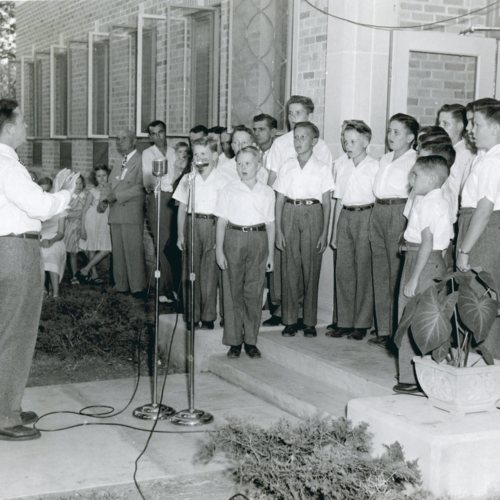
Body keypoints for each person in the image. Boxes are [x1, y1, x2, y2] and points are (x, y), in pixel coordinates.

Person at [0, 98, 78, 440]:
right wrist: (66, 193)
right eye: (23, 121)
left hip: (8, 246)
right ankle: (5, 416)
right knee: (16, 332)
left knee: (6, 328)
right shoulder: (7, 164)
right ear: (9, 126)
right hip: (15, 250)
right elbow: (39, 206)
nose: (27, 127)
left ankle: (8, 405)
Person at [394, 156, 453, 394]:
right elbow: (444, 243)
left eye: (415, 175)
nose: (411, 179)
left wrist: (415, 278)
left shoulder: (429, 203)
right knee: (418, 316)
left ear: (430, 179)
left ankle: (414, 379)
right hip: (427, 260)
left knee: (411, 317)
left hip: (422, 261)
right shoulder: (433, 200)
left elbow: (428, 242)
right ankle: (415, 376)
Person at [273, 121, 334, 338]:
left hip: (313, 214)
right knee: (290, 268)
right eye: (295, 137)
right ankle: (290, 319)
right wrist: (279, 230)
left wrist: (325, 232)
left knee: (311, 269)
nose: (298, 142)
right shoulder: (287, 166)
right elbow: (279, 199)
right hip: (290, 211)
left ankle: (309, 321)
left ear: (314, 141)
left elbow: (327, 203)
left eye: (303, 137)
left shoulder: (322, 168)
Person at [215, 146, 275, 358]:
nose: (243, 168)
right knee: (232, 292)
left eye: (248, 163)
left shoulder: (267, 192)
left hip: (258, 240)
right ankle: (234, 341)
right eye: (239, 164)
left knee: (254, 291)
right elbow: (221, 221)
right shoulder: (228, 189)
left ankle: (251, 340)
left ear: (258, 166)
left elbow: (270, 224)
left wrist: (271, 255)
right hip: (234, 238)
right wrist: (220, 251)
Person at [368, 113, 419, 348]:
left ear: (410, 137)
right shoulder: (385, 159)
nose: (390, 136)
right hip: (378, 210)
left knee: (396, 272)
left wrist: (406, 225)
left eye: (396, 132)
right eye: (389, 131)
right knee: (379, 270)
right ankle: (383, 328)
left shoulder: (414, 160)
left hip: (399, 212)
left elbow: (415, 196)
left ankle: (397, 331)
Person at [327, 121, 378, 341]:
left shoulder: (375, 166)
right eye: (345, 141)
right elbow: (338, 201)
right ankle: (344, 321)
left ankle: (361, 323)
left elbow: (378, 199)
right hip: (345, 216)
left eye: (353, 141)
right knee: (344, 270)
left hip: (366, 215)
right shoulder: (341, 165)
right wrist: (334, 232)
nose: (348, 146)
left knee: (363, 271)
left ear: (366, 142)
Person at [456, 101, 500, 358]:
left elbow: (484, 210)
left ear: (495, 128)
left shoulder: (493, 161)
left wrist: (465, 249)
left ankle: (487, 364)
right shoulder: (483, 157)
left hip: (481, 234)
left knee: (481, 300)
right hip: (474, 228)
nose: (471, 129)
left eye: (477, 124)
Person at [173, 137, 229, 329]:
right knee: (190, 271)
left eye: (203, 154)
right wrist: (180, 234)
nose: (198, 158)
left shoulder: (223, 180)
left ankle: (207, 316)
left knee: (209, 274)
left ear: (214, 155)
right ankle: (192, 315)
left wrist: (221, 239)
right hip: (192, 224)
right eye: (195, 154)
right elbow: (181, 208)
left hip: (213, 225)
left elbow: (226, 212)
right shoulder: (189, 179)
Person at [103, 128, 146, 298]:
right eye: (118, 138)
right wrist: (103, 200)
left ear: (133, 141)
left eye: (124, 138)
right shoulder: (119, 160)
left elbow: (142, 187)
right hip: (115, 212)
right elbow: (109, 184)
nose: (120, 142)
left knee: (133, 249)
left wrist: (118, 196)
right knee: (119, 251)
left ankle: (137, 287)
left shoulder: (141, 160)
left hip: (130, 211)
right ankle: (121, 284)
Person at [142, 119, 178, 302]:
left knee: (174, 242)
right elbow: (148, 182)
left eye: (160, 132)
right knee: (162, 242)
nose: (158, 136)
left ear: (165, 132)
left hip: (175, 199)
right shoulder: (148, 153)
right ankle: (164, 288)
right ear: (150, 136)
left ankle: (175, 286)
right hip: (158, 198)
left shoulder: (173, 152)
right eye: (153, 133)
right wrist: (160, 182)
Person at [267, 95, 332, 187]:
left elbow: (326, 181)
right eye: (290, 113)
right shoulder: (279, 143)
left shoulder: (321, 147)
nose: (292, 117)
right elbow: (273, 176)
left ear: (309, 116)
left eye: (298, 113)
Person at [437, 104, 475, 221]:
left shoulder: (465, 153)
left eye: (446, 124)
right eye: (439, 123)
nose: (440, 128)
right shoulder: (442, 150)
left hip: (453, 216)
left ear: (459, 126)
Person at [78, 165, 112, 283]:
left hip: (104, 221)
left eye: (104, 175)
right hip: (92, 220)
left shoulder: (111, 190)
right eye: (99, 176)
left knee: (106, 249)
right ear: (95, 178)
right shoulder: (92, 191)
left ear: (108, 176)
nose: (102, 178)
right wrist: (82, 228)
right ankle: (94, 274)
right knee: (91, 247)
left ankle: (85, 269)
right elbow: (84, 210)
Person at [38, 177, 66, 298]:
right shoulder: (36, 207)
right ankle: (43, 289)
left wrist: (50, 241)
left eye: (47, 191)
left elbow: (61, 233)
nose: (45, 194)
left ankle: (55, 292)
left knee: (52, 253)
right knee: (36, 253)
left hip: (56, 239)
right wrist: (40, 240)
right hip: (39, 239)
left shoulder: (60, 208)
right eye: (42, 191)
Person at [64, 174, 88, 284]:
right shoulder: (68, 196)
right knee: (73, 252)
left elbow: (88, 210)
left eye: (80, 183)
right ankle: (74, 275)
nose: (78, 186)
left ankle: (87, 272)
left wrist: (80, 214)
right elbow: (66, 213)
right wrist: (79, 213)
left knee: (87, 250)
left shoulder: (86, 195)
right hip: (71, 226)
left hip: (84, 225)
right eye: (75, 183)